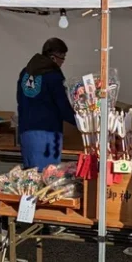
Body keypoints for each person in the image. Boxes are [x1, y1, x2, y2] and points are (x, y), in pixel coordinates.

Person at [16, 37, 76, 171]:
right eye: (62, 58)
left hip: (26, 132)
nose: (62, 63)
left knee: (30, 178)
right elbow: (63, 106)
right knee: (46, 178)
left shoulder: (25, 73)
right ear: (53, 57)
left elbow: (20, 101)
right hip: (47, 134)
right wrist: (81, 123)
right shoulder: (53, 76)